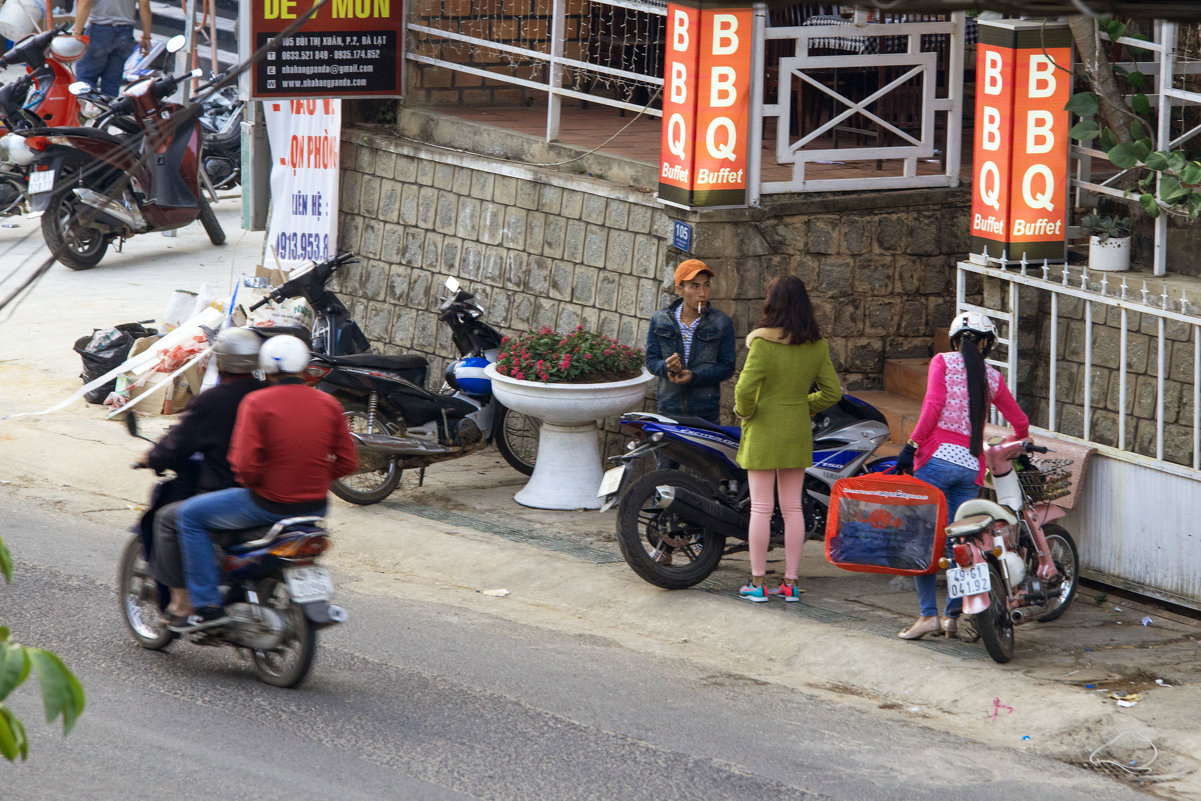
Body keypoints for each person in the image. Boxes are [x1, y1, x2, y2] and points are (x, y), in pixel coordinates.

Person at [172, 334, 358, 631]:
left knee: (188, 516)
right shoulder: (330, 403)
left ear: (266, 369)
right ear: (305, 367)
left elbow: (244, 465)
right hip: (316, 508)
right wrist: (315, 478)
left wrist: (259, 482)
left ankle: (207, 606)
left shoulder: (256, 402)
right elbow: (349, 462)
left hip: (267, 503)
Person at [894, 311, 1030, 640]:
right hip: (970, 468)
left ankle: (928, 615)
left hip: (935, 463)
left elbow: (932, 407)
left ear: (956, 340)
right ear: (986, 345)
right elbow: (1021, 424)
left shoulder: (941, 362)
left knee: (925, 542)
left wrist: (911, 445)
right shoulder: (992, 378)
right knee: (961, 544)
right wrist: (1010, 445)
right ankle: (952, 616)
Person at [140, 327, 265, 623]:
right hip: (278, 494)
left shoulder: (213, 401)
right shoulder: (270, 396)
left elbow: (179, 441)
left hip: (231, 497)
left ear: (219, 362)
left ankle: (185, 603)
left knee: (169, 518)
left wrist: (153, 457)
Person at [733, 275, 841, 603]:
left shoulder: (763, 344)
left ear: (772, 303)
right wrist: (803, 406)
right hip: (796, 430)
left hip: (764, 431)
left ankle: (758, 582)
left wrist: (746, 412)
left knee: (762, 508)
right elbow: (832, 392)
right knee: (793, 507)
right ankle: (791, 584)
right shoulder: (816, 345)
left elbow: (743, 390)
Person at [645, 259, 736, 424]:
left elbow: (727, 367)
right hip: (669, 409)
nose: (702, 293)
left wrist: (694, 377)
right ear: (680, 289)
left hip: (705, 412)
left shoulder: (721, 322)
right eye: (694, 286)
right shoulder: (661, 319)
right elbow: (651, 361)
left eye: (706, 285)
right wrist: (667, 367)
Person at [71, 0, 153, 97]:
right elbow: (145, 6)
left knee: (85, 80)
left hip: (99, 30)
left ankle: (94, 109)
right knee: (112, 83)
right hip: (125, 32)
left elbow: (85, 3)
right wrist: (146, 36)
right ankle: (108, 109)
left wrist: (76, 34)